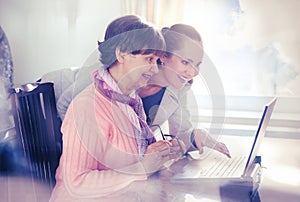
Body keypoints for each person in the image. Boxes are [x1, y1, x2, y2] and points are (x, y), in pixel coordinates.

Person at [49, 15, 184, 201]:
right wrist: (142, 169)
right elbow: (77, 183)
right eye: (149, 59)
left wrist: (160, 155)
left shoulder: (130, 100)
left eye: (157, 61)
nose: (154, 70)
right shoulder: (87, 107)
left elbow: (128, 160)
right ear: (121, 54)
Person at [138, 24, 231, 158]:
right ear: (164, 56)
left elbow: (179, 135)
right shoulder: (132, 79)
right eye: (186, 62)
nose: (192, 72)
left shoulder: (179, 89)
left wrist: (196, 136)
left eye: (197, 64)